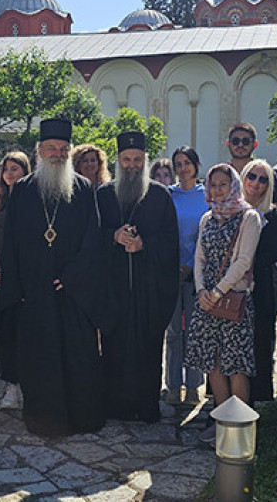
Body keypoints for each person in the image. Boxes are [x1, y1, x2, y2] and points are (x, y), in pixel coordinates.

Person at [0, 118, 105, 437]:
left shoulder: (84, 188)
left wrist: (72, 277)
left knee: (77, 355)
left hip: (73, 293)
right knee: (39, 356)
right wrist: (18, 288)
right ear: (40, 152)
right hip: (35, 292)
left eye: (63, 149)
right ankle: (43, 417)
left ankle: (82, 417)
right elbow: (12, 243)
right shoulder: (24, 189)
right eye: (51, 149)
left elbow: (93, 238)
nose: (58, 154)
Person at [97, 132, 179, 423]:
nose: (132, 165)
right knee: (115, 348)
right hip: (114, 291)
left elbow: (171, 241)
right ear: (119, 161)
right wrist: (113, 236)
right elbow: (90, 237)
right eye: (126, 159)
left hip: (148, 291)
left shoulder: (159, 195)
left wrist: (145, 244)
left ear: (145, 161)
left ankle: (147, 406)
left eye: (137, 160)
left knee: (147, 349)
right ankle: (115, 406)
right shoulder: (104, 195)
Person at [186, 163, 262, 444]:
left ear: (233, 185)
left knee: (236, 364)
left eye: (222, 184)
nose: (217, 190)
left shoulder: (248, 217)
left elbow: (243, 261)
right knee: (214, 362)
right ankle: (220, 420)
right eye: (212, 185)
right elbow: (199, 258)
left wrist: (216, 292)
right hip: (207, 301)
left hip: (233, 301)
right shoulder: (207, 218)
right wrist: (201, 290)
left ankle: (238, 426)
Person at [165, 146, 209, 406]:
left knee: (195, 331)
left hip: (198, 273)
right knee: (173, 333)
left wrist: (192, 266)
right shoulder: (168, 195)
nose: (183, 168)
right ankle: (172, 384)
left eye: (187, 163)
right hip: (171, 272)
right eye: (178, 164)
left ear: (196, 164)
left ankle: (194, 385)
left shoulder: (206, 195)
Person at [0, 151, 31, 408]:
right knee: (4, 331)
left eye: (15, 168)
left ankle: (26, 383)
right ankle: (11, 386)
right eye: (6, 169)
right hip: (1, 276)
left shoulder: (34, 202)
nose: (9, 174)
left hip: (27, 277)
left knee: (25, 331)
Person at [240, 159, 277, 404]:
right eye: (252, 176)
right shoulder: (228, 209)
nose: (256, 183)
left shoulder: (274, 215)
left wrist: (248, 261)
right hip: (231, 286)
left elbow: (273, 251)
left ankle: (258, 398)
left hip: (260, 286)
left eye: (263, 179)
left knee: (260, 341)